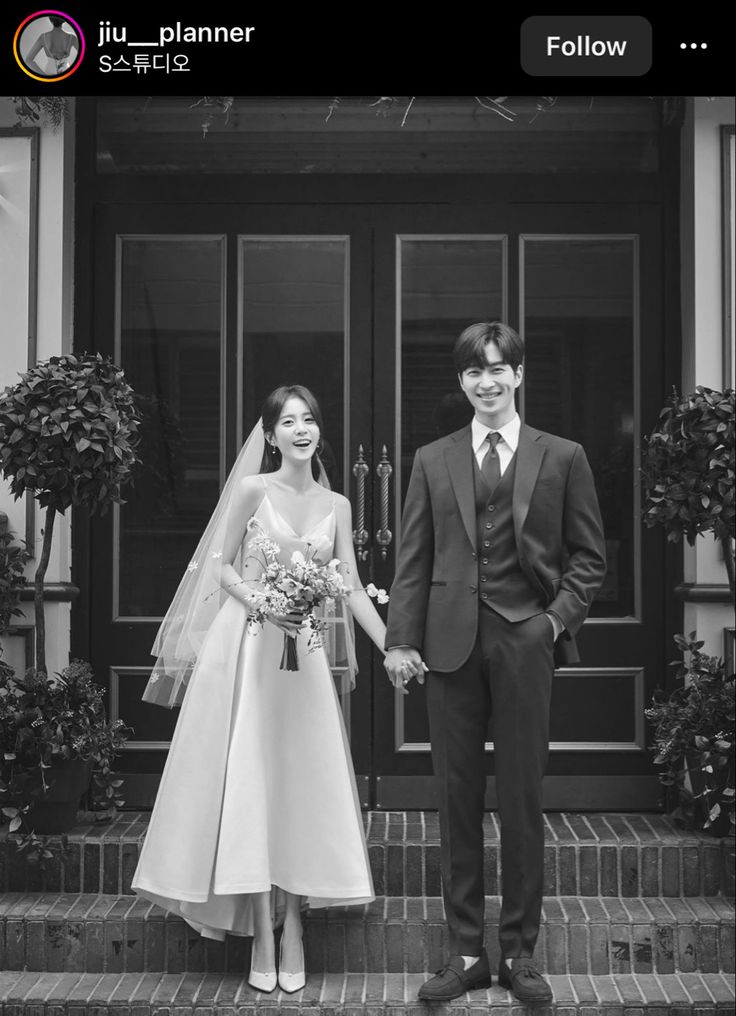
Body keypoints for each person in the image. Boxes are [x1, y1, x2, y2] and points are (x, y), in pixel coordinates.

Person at [132, 385, 389, 995]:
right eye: (288, 421)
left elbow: (350, 585)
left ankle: (294, 921)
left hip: (301, 652)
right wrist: (262, 601)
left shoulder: (338, 502)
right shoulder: (252, 490)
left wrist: (392, 644)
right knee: (249, 779)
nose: (300, 429)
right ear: (270, 435)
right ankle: (261, 929)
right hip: (249, 647)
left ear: (318, 432)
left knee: (298, 780)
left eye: (309, 420)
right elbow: (220, 567)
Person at [384, 322, 606, 1005]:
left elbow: (589, 559)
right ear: (461, 382)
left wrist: (551, 623)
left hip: (524, 644)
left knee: (520, 797)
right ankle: (464, 953)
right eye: (473, 371)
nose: (486, 380)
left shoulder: (562, 456)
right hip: (449, 647)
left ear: (518, 374)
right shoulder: (432, 459)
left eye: (498, 368)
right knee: (454, 800)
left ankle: (520, 953)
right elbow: (414, 559)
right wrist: (399, 639)